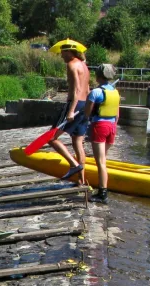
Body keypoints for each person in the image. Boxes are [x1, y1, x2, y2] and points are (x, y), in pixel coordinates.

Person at [49, 40, 90, 183]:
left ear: (68, 52)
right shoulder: (84, 66)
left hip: (75, 104)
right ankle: (81, 181)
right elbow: (87, 89)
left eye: (62, 53)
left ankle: (73, 165)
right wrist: (89, 109)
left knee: (51, 138)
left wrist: (71, 111)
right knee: (78, 143)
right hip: (85, 105)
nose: (61, 56)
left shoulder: (71, 65)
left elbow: (77, 90)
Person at [83, 64, 120, 204]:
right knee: (103, 159)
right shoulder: (116, 92)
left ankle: (102, 193)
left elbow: (87, 113)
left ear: (98, 76)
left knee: (101, 162)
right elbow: (117, 116)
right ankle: (103, 188)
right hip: (112, 127)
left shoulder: (95, 93)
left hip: (100, 127)